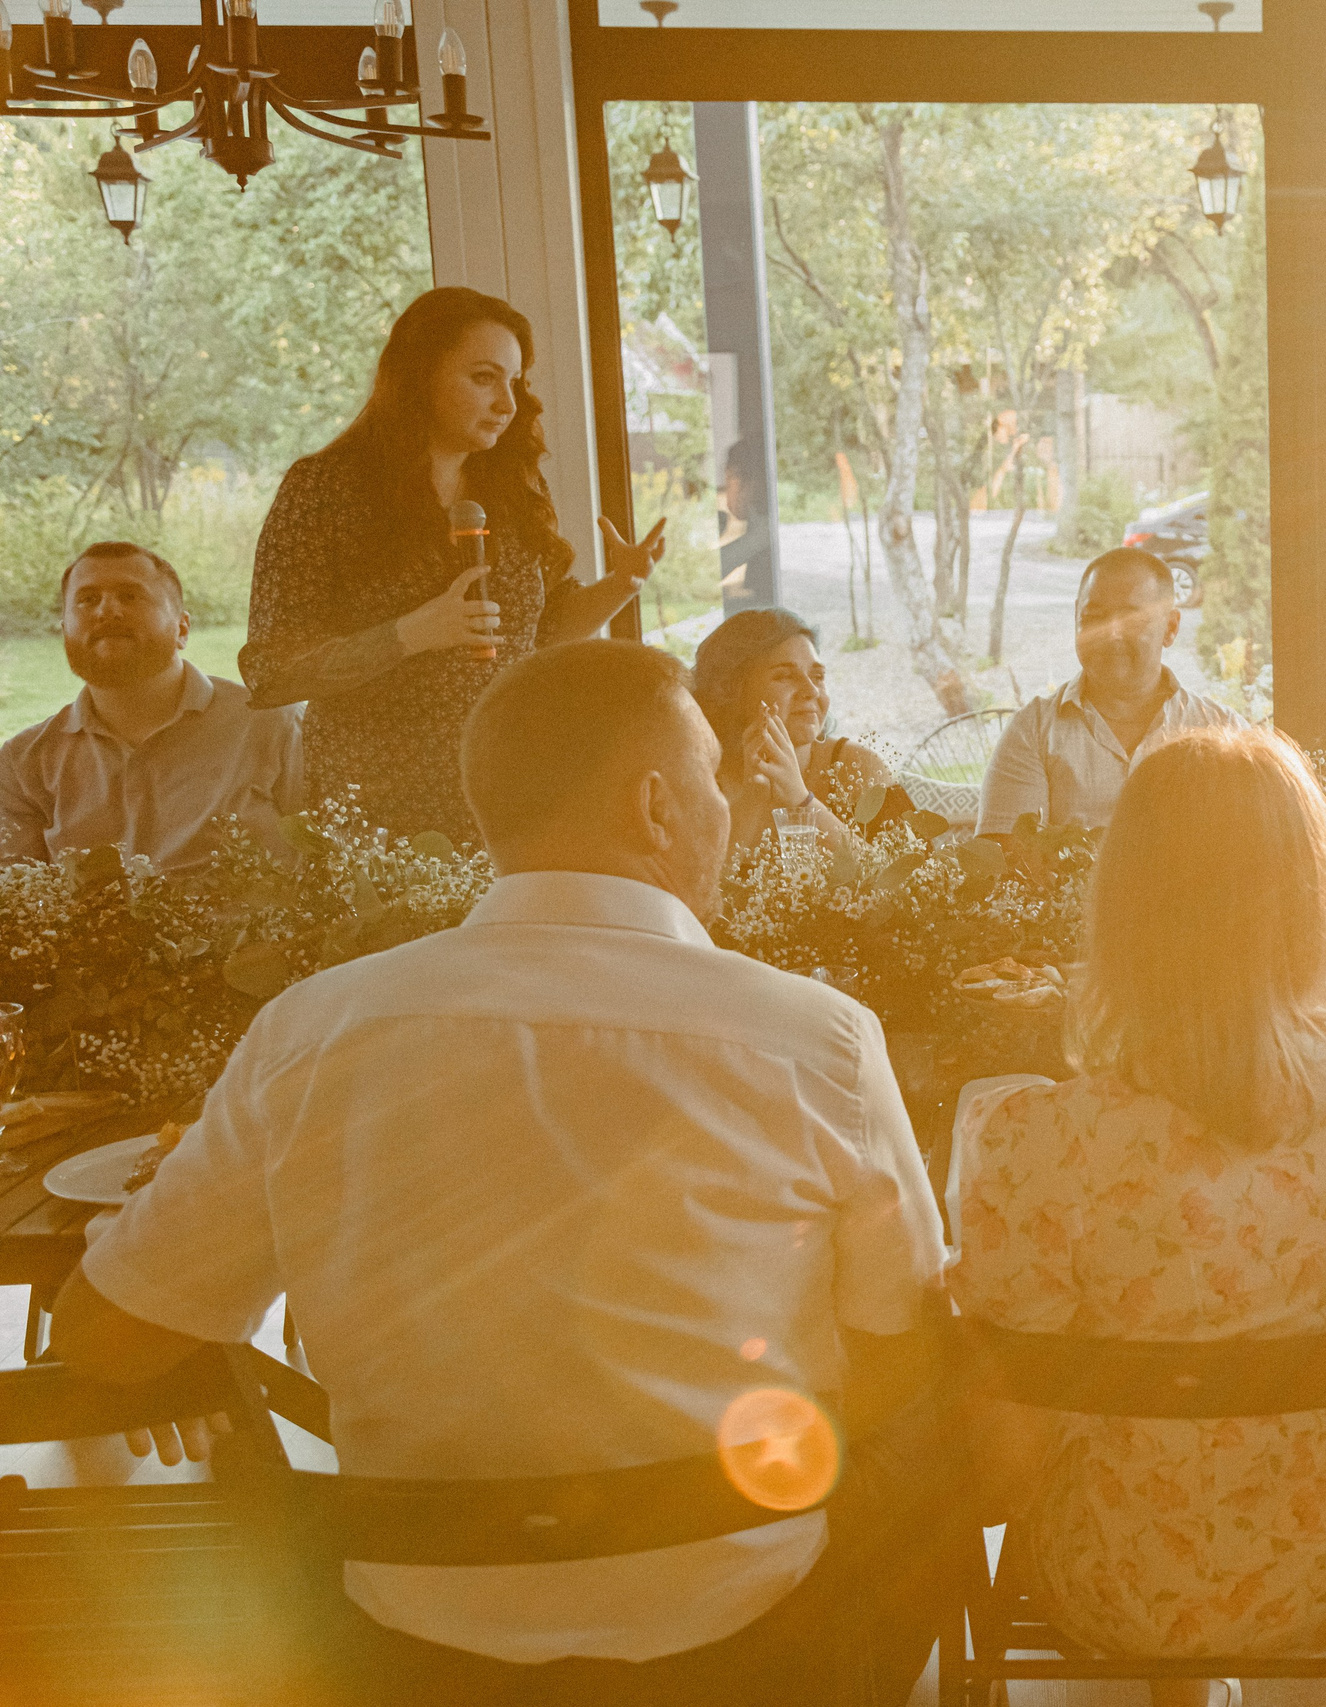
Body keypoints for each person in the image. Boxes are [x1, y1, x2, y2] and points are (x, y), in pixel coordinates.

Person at [48, 640, 954, 1704]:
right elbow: (901, 1352)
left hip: (414, 1638)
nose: (726, 802)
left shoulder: (314, 1032)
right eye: (712, 776)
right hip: (740, 1633)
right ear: (656, 807)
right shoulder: (815, 1042)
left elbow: (106, 1340)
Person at [949, 726, 1326, 1707]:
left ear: (1122, 905)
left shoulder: (1035, 1141)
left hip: (1128, 1588)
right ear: (1305, 895)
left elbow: (1010, 1453)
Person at [241, 286, 668, 845]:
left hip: (509, 790)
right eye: (484, 378)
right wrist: (410, 634)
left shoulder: (511, 486)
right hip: (380, 809)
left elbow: (535, 634)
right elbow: (272, 669)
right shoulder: (324, 488)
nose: (507, 404)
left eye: (514, 383)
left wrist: (621, 584)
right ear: (421, 375)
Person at [0, 543, 301, 870]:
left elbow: (340, 877)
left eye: (131, 596)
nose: (106, 611)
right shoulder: (23, 765)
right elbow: (17, 901)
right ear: (65, 631)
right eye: (88, 600)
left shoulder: (277, 727)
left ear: (182, 629)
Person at [976, 547, 1239, 836]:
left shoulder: (1223, 733)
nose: (1110, 633)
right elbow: (1002, 867)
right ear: (1076, 618)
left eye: (1131, 619)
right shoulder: (1034, 732)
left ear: (1171, 627)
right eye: (1094, 617)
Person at [688, 606, 893, 859]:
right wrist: (753, 797)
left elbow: (920, 884)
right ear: (732, 691)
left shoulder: (857, 767)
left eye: (817, 676)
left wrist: (801, 800)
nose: (811, 690)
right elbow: (698, 892)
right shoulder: (701, 779)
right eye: (785, 676)